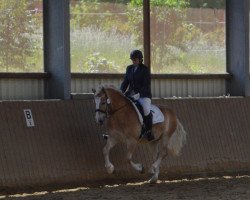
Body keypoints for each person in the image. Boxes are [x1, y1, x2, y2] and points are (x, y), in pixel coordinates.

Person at [120, 50, 154, 141]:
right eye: (132, 60)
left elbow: (146, 84)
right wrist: (121, 91)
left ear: (140, 59)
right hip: (131, 94)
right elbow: (125, 82)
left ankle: (149, 131)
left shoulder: (145, 70)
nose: (133, 61)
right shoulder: (129, 68)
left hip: (144, 95)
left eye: (135, 59)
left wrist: (138, 94)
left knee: (146, 110)